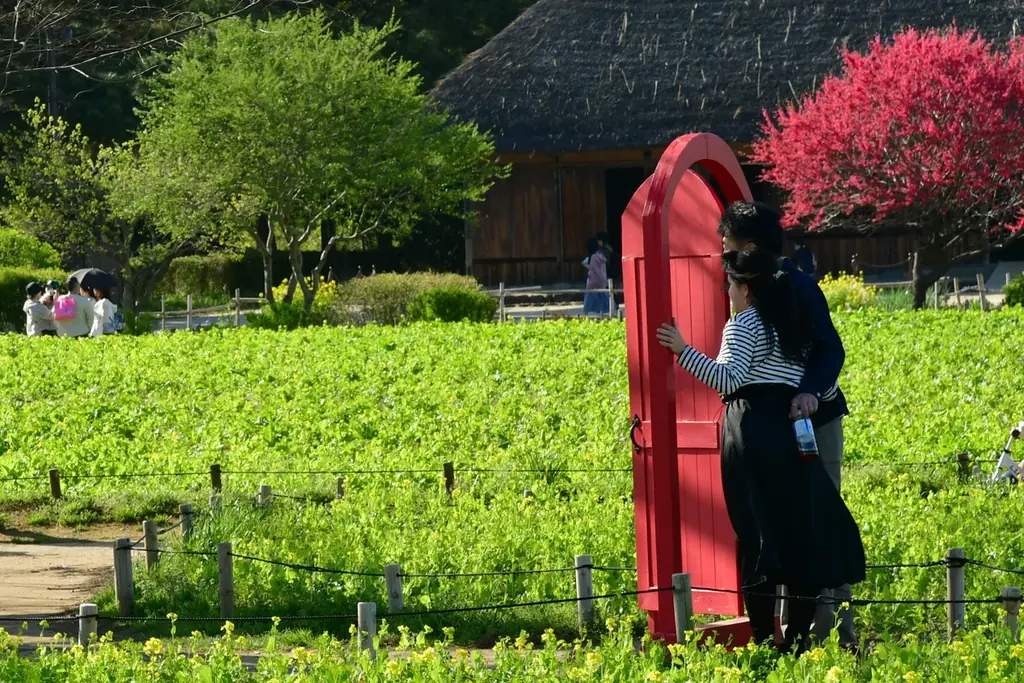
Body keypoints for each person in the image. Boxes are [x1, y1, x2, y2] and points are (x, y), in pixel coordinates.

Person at [656, 248, 865, 654]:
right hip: (790, 433)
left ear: (746, 288)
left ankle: (766, 643)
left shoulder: (743, 325)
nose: (726, 291)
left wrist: (682, 350)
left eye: (730, 284)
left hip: (751, 433)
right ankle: (800, 639)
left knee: (757, 534)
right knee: (793, 531)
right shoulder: (790, 325)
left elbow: (728, 379)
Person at [716, 201, 856, 648]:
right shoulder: (751, 290)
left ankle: (834, 631)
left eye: (727, 244)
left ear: (750, 246)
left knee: (816, 522)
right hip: (765, 428)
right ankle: (782, 635)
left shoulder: (799, 286)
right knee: (771, 526)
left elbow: (830, 349)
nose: (723, 252)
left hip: (811, 419)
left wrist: (810, 391)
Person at [582, 236, 611, 315]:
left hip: (594, 280)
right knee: (601, 296)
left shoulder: (593, 257)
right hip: (602, 279)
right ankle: (601, 311)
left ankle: (586, 312)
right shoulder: (601, 255)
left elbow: (595, 270)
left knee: (589, 296)